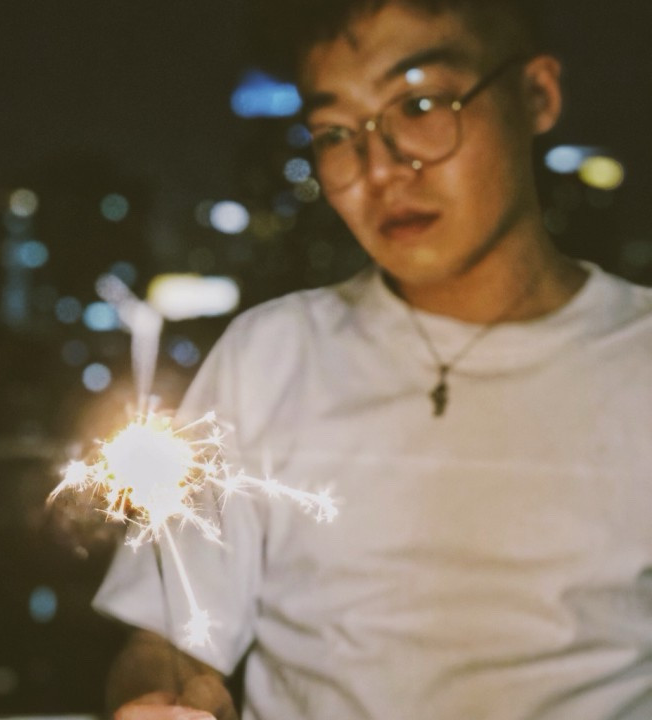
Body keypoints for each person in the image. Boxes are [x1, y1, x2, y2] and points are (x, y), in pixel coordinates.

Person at [93, 1, 652, 718]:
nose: (380, 168)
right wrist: (165, 697)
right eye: (335, 133)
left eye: (419, 106)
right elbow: (167, 634)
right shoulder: (272, 355)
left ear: (536, 95)